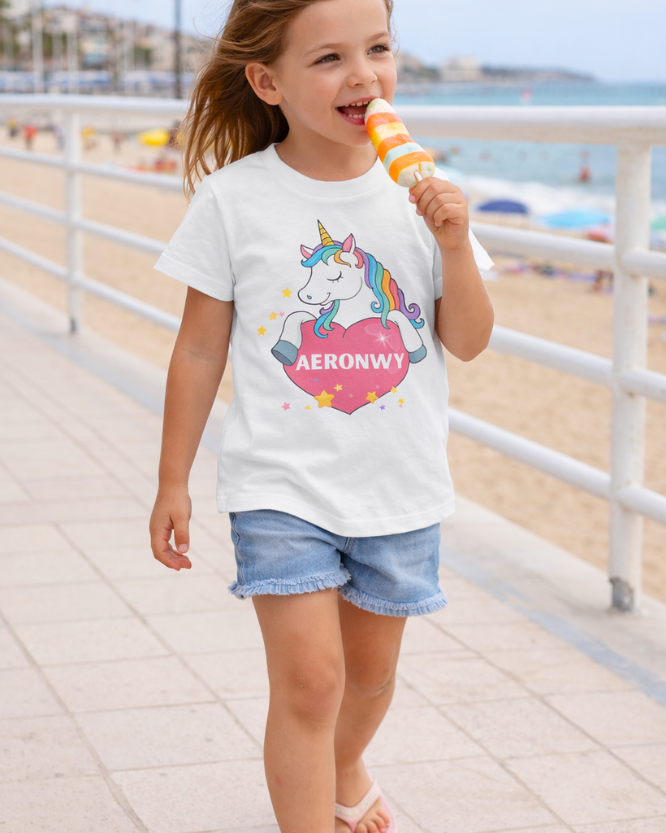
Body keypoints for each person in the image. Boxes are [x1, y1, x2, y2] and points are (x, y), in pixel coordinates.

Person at [149, 0, 495, 830]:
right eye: (330, 58)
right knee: (309, 683)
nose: (365, 75)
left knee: (369, 678)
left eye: (377, 48)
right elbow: (198, 351)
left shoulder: (419, 196)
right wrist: (172, 481)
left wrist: (452, 243)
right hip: (281, 484)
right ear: (267, 81)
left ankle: (344, 761)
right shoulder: (236, 200)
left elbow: (470, 341)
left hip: (398, 486)